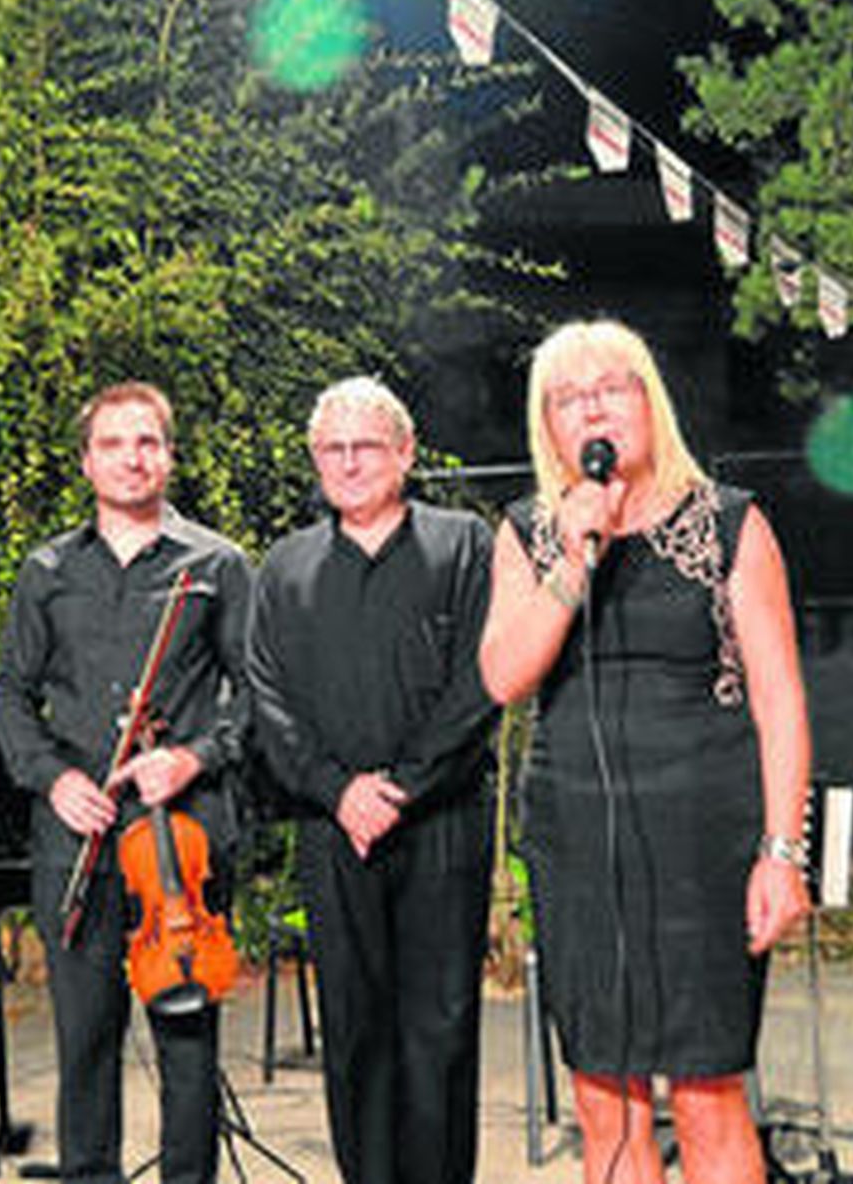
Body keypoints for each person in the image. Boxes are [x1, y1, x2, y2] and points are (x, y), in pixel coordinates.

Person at [479, 319, 812, 1184]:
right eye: (569, 397)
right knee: (605, 1097)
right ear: (548, 426)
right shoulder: (527, 533)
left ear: (649, 401)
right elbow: (505, 676)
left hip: (705, 840)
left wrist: (782, 853)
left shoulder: (730, 523)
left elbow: (780, 702)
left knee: (706, 1093)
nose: (593, 408)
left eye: (612, 388)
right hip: (578, 844)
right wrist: (572, 561)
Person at [0, 382, 251, 1184]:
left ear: (169, 456)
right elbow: (10, 696)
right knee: (85, 1041)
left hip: (182, 840)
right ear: (86, 462)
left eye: (147, 442)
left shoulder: (217, 565)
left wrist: (193, 757)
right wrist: (52, 779)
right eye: (113, 444)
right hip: (76, 838)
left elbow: (258, 697)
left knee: (186, 1045)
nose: (131, 459)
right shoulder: (46, 570)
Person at [248, 376, 500, 1184]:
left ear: (406, 452)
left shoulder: (465, 545)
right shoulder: (284, 568)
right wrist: (337, 791)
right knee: (354, 1030)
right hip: (333, 830)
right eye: (333, 449)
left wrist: (403, 788)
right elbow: (268, 699)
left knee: (441, 1030)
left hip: (444, 823)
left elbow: (482, 681)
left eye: (366, 446)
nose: (350, 463)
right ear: (316, 459)